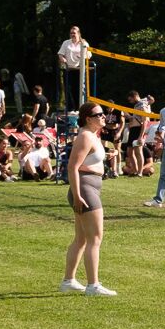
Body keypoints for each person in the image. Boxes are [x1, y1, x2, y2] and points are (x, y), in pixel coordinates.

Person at [58, 104, 117, 296]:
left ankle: (68, 281)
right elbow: (72, 167)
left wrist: (108, 155)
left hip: (88, 187)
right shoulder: (84, 136)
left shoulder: (92, 136)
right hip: (85, 189)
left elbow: (88, 159)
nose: (103, 116)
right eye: (98, 114)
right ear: (88, 118)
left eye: (103, 114)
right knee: (95, 238)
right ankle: (93, 285)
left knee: (82, 238)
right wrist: (77, 196)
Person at [57, 25, 88, 113]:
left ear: (78, 33)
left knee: (79, 89)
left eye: (74, 33)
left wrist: (84, 57)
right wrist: (63, 59)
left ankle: (79, 108)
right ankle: (70, 108)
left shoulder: (84, 43)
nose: (72, 35)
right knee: (68, 89)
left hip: (79, 69)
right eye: (71, 33)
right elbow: (60, 54)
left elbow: (89, 54)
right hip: (68, 69)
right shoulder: (66, 43)